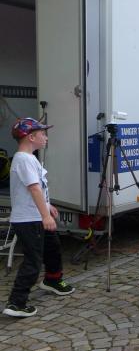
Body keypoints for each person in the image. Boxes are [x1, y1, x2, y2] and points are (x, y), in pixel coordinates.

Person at [3, 118, 75, 318]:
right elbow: (33, 188)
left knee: (53, 248)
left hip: (36, 215)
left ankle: (53, 279)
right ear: (31, 137)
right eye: (43, 133)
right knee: (33, 261)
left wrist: (48, 206)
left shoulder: (30, 158)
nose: (46, 137)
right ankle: (16, 303)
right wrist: (45, 216)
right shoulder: (24, 159)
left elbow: (36, 189)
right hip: (29, 220)